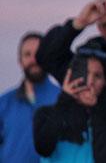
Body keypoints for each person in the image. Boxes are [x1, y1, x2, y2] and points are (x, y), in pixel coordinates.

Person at [33, 51, 106, 162]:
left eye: (97, 76)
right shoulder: (45, 112)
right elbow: (43, 148)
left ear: (104, 83)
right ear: (72, 75)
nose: (90, 81)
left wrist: (96, 111)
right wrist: (64, 100)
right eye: (85, 73)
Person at [0, 32, 61, 163]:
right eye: (27, 54)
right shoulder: (4, 103)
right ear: (20, 61)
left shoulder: (62, 99)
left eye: (38, 53)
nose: (33, 60)